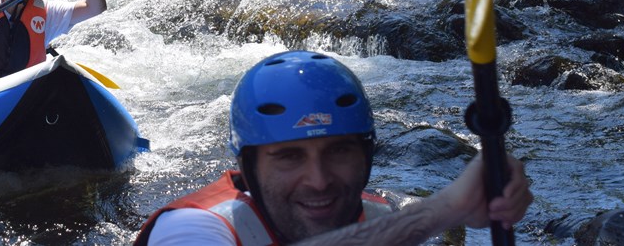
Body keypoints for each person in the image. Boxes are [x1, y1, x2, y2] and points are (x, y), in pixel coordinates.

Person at [136, 50, 533, 245]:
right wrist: (443, 211)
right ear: (248, 164)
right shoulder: (193, 228)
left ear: (367, 153)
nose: (319, 180)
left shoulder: (380, 216)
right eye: (289, 155)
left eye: (339, 151)